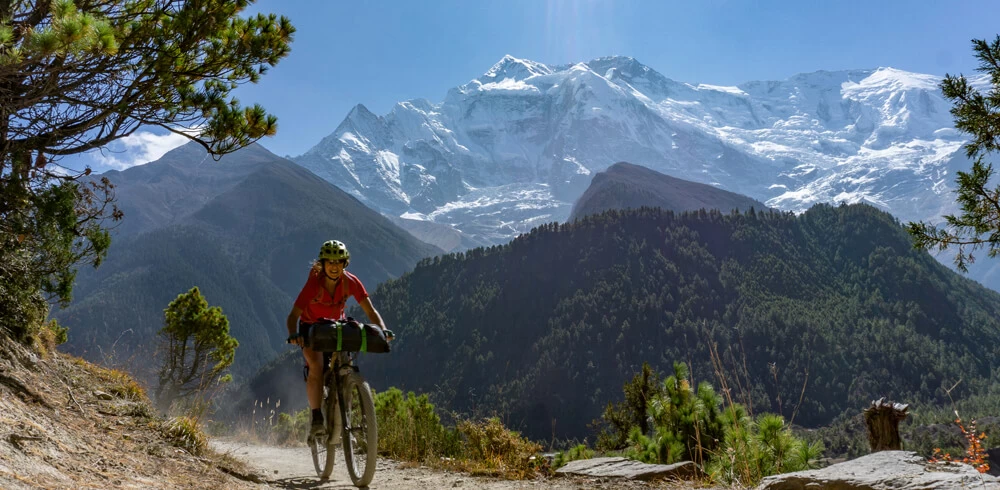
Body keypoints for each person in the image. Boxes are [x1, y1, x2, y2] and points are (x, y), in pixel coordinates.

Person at [286, 239, 388, 435]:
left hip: (336, 326)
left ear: (344, 264)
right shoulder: (313, 285)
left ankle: (344, 402)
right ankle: (317, 417)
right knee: (316, 366)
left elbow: (371, 310)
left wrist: (382, 330)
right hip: (310, 327)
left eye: (339, 262)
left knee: (345, 364)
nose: (334, 266)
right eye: (330, 262)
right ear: (322, 264)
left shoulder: (351, 282)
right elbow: (293, 316)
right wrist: (294, 334)